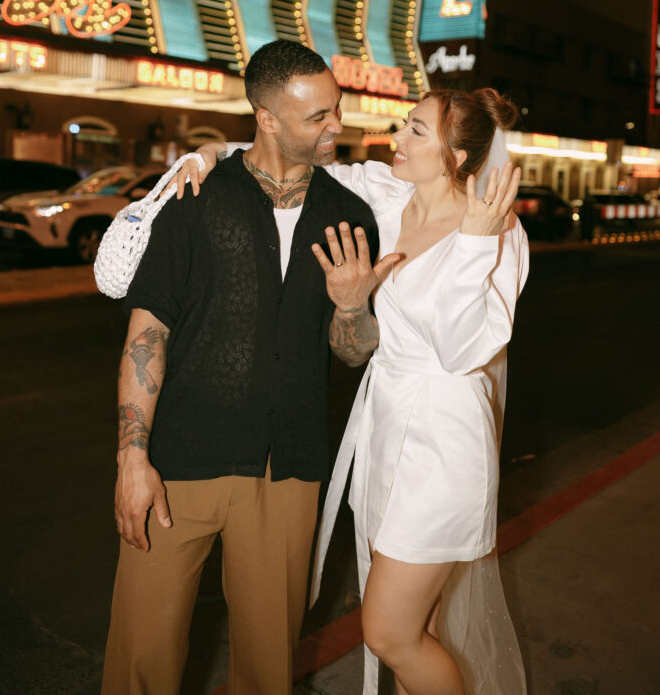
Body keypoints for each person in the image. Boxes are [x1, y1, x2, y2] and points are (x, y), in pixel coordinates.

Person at [182, 87, 528, 695]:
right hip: (385, 428)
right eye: (404, 124)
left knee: (391, 632)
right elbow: (295, 162)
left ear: (456, 154)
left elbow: (461, 350)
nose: (396, 138)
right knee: (411, 625)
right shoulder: (390, 195)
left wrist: (473, 241)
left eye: (416, 131)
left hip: (445, 442)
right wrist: (213, 153)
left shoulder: (498, 233)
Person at [101, 40, 386, 695]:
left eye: (335, 109)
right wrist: (131, 461)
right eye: (317, 116)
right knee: (142, 656)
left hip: (286, 470)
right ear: (266, 116)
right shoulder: (194, 201)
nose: (335, 126)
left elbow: (353, 351)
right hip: (177, 464)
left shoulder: (347, 216)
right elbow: (147, 335)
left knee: (268, 666)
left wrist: (351, 308)